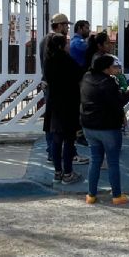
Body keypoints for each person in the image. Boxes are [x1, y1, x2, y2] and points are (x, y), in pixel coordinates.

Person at [80, 54, 129, 205]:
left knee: (95, 160)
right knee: (112, 162)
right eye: (113, 66)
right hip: (107, 128)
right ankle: (117, 195)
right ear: (106, 68)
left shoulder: (87, 77)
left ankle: (91, 195)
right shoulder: (108, 82)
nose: (116, 68)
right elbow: (117, 102)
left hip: (89, 126)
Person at [43, 33, 84, 185]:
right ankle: (68, 173)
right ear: (61, 45)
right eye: (66, 43)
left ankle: (57, 172)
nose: (68, 45)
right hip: (68, 104)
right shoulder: (66, 60)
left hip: (54, 104)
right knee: (68, 140)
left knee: (56, 139)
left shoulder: (48, 60)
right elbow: (79, 73)